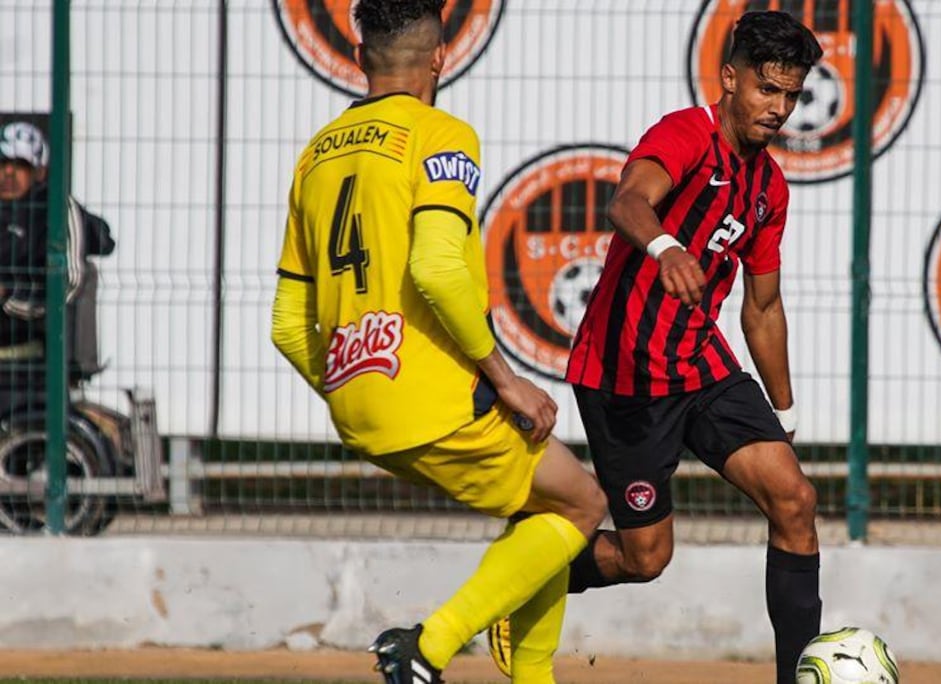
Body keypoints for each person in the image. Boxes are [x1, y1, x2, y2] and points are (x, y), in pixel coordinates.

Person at [269, 2, 606, 683]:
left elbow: (286, 323)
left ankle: (529, 672)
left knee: (543, 504)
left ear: (360, 58)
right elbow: (437, 269)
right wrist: (507, 381)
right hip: (440, 401)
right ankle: (428, 645)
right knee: (582, 503)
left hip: (358, 408)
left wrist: (355, 382)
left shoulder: (316, 155)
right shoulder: (441, 134)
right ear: (442, 57)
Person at [489, 11, 824, 684]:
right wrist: (667, 247)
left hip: (700, 365)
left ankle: (799, 677)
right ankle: (518, 580)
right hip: (626, 375)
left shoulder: (769, 187)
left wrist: (784, 412)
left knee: (795, 500)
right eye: (767, 89)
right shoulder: (685, 134)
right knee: (644, 559)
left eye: (791, 95)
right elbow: (628, 201)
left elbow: (762, 307)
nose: (779, 108)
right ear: (729, 78)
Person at [0, 119, 114, 414]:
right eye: (3, 164)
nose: (8, 173)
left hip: (27, 343)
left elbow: (69, 283)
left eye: (19, 165)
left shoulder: (56, 210)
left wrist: (10, 297)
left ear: (39, 171)